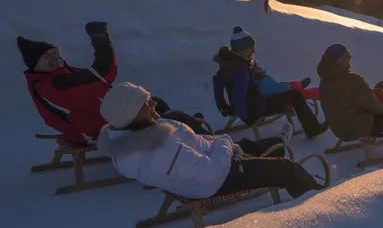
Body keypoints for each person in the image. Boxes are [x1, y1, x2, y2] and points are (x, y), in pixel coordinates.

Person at [97, 82, 325, 200]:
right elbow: (213, 172)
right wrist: (224, 143)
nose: (154, 105)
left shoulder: (132, 140)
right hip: (217, 181)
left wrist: (221, 143)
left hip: (203, 166)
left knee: (246, 145)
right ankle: (321, 203)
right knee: (287, 170)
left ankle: (273, 146)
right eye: (147, 103)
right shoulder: (159, 148)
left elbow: (192, 144)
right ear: (132, 114)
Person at [212, 26, 329, 140]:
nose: (253, 51)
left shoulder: (228, 64)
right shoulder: (241, 70)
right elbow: (239, 95)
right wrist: (247, 117)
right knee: (295, 94)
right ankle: (314, 130)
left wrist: (220, 102)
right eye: (250, 49)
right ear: (240, 51)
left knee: (280, 90)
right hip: (255, 107)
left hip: (248, 104)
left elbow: (217, 80)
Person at [18, 21, 117, 144]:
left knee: (138, 97)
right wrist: (100, 38)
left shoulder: (61, 74)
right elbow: (101, 74)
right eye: (46, 56)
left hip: (106, 120)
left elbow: (100, 85)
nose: (55, 57)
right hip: (97, 132)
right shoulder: (52, 85)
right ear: (34, 64)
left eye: (55, 52)